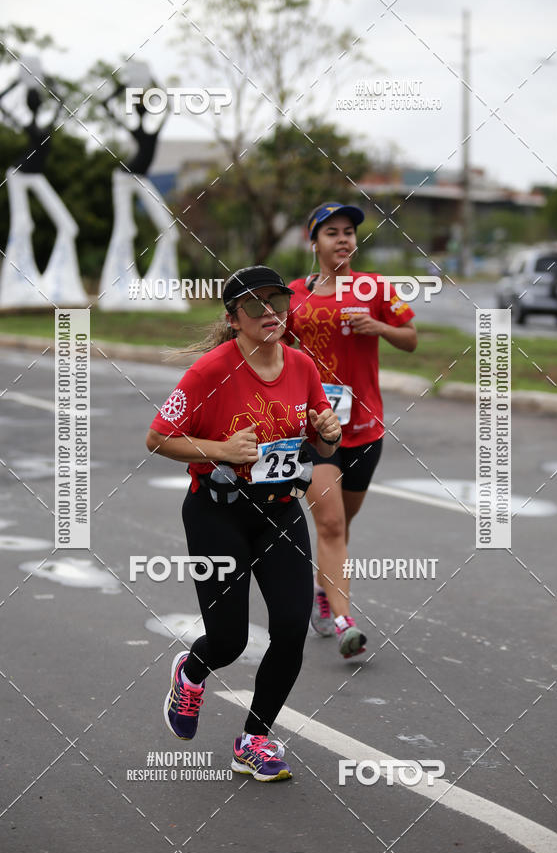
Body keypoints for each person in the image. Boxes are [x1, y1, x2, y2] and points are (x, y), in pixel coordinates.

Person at [146, 265, 341, 782]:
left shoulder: (303, 366)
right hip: (217, 514)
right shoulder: (209, 372)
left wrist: (328, 433)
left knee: (292, 628)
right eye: (255, 306)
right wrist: (219, 451)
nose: (271, 313)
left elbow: (321, 444)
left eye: (278, 300)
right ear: (234, 319)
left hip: (279, 511)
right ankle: (191, 673)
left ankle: (253, 740)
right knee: (229, 641)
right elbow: (158, 437)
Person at [285, 203, 417, 658]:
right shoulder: (293, 296)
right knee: (333, 523)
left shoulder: (374, 287)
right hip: (315, 430)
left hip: (365, 427)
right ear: (314, 241)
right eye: (332, 233)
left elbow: (411, 338)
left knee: (341, 525)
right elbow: (272, 350)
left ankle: (325, 589)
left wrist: (378, 325)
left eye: (348, 233)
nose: (342, 240)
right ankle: (345, 622)